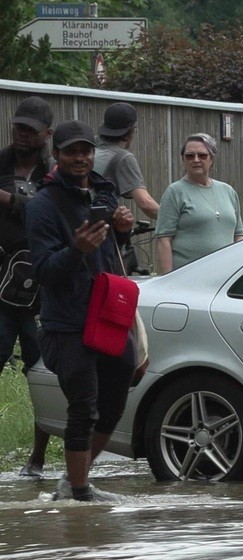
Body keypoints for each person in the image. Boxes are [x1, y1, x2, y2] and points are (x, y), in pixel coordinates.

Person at [25, 120, 136, 501]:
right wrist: (76, 250)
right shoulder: (43, 205)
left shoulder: (105, 193)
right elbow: (43, 271)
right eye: (71, 151)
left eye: (85, 151)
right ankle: (79, 493)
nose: (79, 158)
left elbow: (113, 255)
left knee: (114, 402)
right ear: (56, 155)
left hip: (108, 315)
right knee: (83, 407)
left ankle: (74, 480)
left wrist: (122, 229)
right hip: (67, 322)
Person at [0, 96, 55, 478]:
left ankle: (37, 459)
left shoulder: (54, 172)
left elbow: (41, 209)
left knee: (42, 373)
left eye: (30, 130)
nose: (21, 134)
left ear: (46, 134)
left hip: (39, 288)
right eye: (18, 126)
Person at [155, 133, 243, 273]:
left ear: (211, 159)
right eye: (190, 156)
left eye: (202, 155)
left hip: (226, 275)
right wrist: (168, 278)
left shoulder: (228, 191)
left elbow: (238, 236)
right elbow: (163, 239)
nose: (196, 160)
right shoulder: (175, 192)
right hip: (189, 277)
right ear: (183, 160)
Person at [94, 102, 160, 221]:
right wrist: (176, 222)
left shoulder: (88, 145)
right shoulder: (122, 157)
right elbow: (146, 203)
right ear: (130, 131)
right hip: (95, 228)